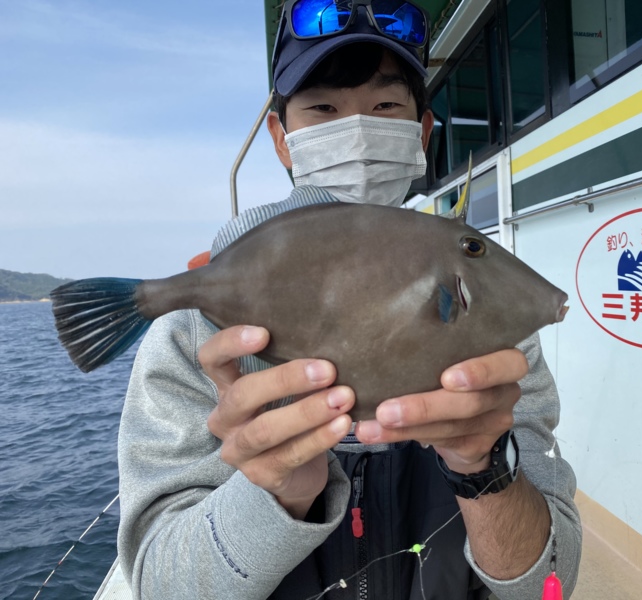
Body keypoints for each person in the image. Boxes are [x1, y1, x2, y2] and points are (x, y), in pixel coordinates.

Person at [117, 1, 582, 598]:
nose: (358, 128)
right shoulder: (195, 333)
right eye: (323, 108)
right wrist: (276, 490)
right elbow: (160, 584)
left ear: (421, 133)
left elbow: (548, 586)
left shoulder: (491, 335)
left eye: (386, 105)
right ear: (282, 141)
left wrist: (483, 465)